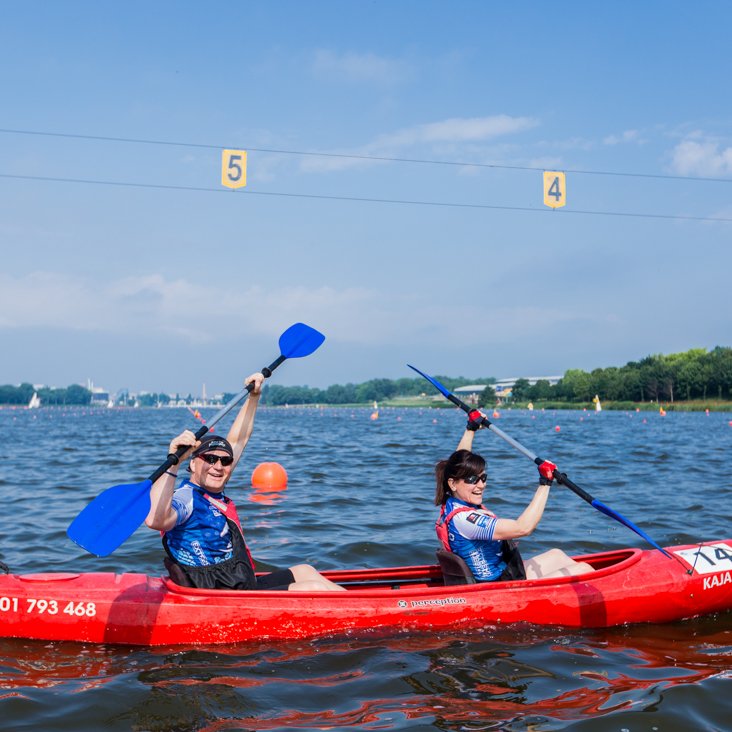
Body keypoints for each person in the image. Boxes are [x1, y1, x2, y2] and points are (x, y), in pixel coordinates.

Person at [145, 372, 344, 592]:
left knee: (305, 571)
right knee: (313, 589)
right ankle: (372, 610)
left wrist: (254, 397)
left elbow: (239, 439)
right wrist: (172, 463)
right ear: (192, 464)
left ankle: (364, 605)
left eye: (225, 461)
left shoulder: (213, 487)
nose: (218, 466)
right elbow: (156, 520)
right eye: (210, 459)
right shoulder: (186, 497)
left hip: (238, 582)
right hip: (218, 594)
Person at [434, 413, 594, 582]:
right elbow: (523, 528)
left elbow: (458, 462)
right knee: (584, 569)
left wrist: (471, 429)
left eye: (483, 478)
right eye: (473, 480)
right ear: (453, 483)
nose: (481, 485)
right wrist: (545, 483)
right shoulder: (466, 519)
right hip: (497, 588)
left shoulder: (452, 498)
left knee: (558, 555)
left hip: (504, 573)